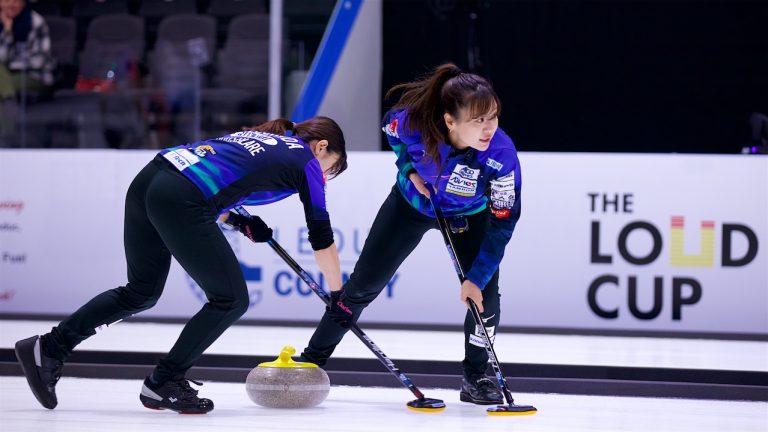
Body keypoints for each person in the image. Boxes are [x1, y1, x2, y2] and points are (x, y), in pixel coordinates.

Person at [14, 116, 348, 414]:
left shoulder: (264, 139)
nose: (325, 179)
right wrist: (337, 295)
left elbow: (207, 180)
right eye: (330, 170)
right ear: (321, 147)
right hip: (178, 197)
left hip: (150, 180)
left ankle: (50, 347)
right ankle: (164, 382)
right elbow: (321, 236)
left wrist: (238, 221)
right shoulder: (305, 160)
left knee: (140, 291)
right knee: (230, 299)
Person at [297, 63, 522, 405]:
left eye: (493, 116)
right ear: (450, 121)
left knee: (485, 299)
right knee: (360, 287)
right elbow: (391, 131)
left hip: (468, 217)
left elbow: (503, 222)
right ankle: (311, 362)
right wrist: (408, 168)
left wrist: (475, 278)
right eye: (478, 120)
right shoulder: (411, 121)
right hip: (410, 206)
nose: (488, 128)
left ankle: (477, 375)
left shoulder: (502, 156)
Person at [0, 0, 54, 144]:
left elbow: (40, 60)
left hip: (34, 75)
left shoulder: (35, 22)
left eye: (16, 1)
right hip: (6, 77)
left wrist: (10, 65)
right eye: (6, 0)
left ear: (23, 3)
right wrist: (7, 31)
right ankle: (9, 102)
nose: (11, 5)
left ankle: (7, 140)